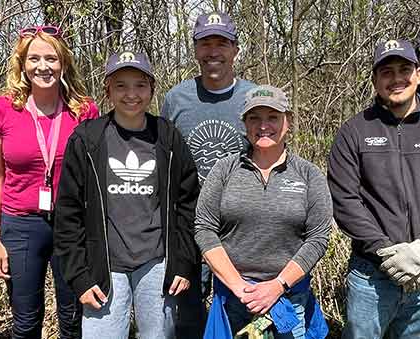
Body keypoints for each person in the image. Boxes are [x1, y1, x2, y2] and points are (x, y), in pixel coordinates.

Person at [328, 39, 420, 339]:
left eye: (404, 69)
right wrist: (386, 251)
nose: (396, 79)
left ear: (418, 74)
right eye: (387, 72)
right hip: (371, 275)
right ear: (374, 80)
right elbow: (344, 200)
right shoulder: (354, 131)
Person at [53, 51, 200, 339]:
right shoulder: (87, 139)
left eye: (140, 85)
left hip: (157, 262)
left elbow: (188, 205)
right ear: (107, 90)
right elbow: (68, 214)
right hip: (104, 265)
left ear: (152, 90)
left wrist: (184, 261)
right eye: (121, 85)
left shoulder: (168, 137)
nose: (131, 94)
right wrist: (79, 276)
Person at [0, 25, 98, 339]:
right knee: (25, 322)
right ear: (22, 63)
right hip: (20, 225)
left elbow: (94, 177)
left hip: (73, 225)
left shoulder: (85, 110)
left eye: (51, 58)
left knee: (74, 321)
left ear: (63, 63)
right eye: (34, 58)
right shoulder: (2, 109)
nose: (43, 66)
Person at [195, 85, 333, 339]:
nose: (263, 125)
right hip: (234, 299)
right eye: (254, 118)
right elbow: (204, 227)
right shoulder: (225, 169)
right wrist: (240, 287)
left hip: (290, 299)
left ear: (288, 122)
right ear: (244, 123)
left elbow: (318, 237)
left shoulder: (309, 174)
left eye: (272, 117)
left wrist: (277, 286)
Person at [159, 11, 256, 336]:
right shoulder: (176, 99)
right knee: (187, 316)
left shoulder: (254, 98)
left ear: (235, 50)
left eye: (222, 43)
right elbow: (164, 163)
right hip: (188, 225)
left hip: (239, 225)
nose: (213, 51)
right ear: (195, 49)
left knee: (241, 313)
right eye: (205, 43)